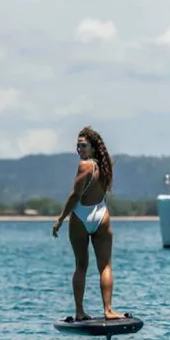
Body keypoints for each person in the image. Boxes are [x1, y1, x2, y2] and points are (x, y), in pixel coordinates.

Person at [51, 126, 124, 321]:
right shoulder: (104, 166)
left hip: (82, 217)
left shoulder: (85, 166)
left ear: (92, 148)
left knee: (81, 266)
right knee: (105, 265)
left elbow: (75, 195)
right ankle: (108, 310)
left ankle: (80, 312)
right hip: (101, 214)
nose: (80, 150)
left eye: (83, 146)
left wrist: (60, 219)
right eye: (77, 146)